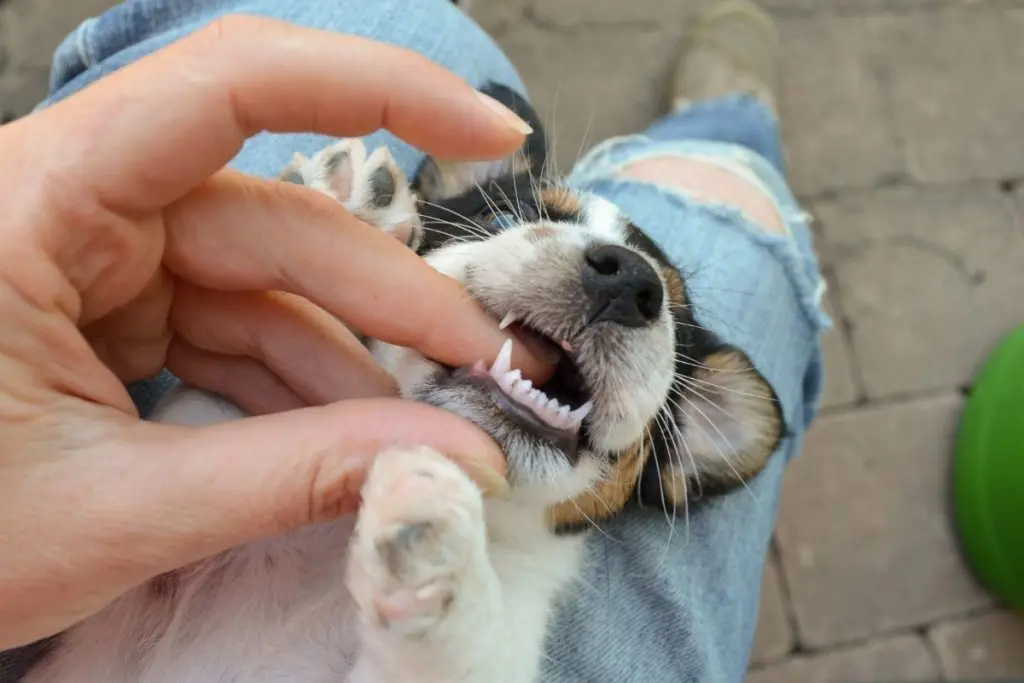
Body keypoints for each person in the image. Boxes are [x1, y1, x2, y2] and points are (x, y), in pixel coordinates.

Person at [0, 0, 828, 681]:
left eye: (656, 310)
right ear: (403, 248)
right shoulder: (266, 368)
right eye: (531, 220)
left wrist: (442, 619)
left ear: (658, 468)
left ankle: (726, 139)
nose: (621, 278)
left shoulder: (512, 574)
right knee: (731, 207)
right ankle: (729, 139)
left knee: (409, 26)